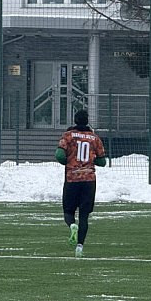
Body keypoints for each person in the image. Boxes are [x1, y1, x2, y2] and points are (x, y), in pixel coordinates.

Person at [56, 109, 107, 257]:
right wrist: (91, 160)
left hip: (72, 179)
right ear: (87, 120)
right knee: (84, 216)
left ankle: (72, 225)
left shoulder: (68, 135)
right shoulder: (94, 138)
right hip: (89, 181)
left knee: (68, 211)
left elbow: (59, 155)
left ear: (75, 120)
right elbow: (102, 161)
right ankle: (79, 247)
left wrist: (69, 161)